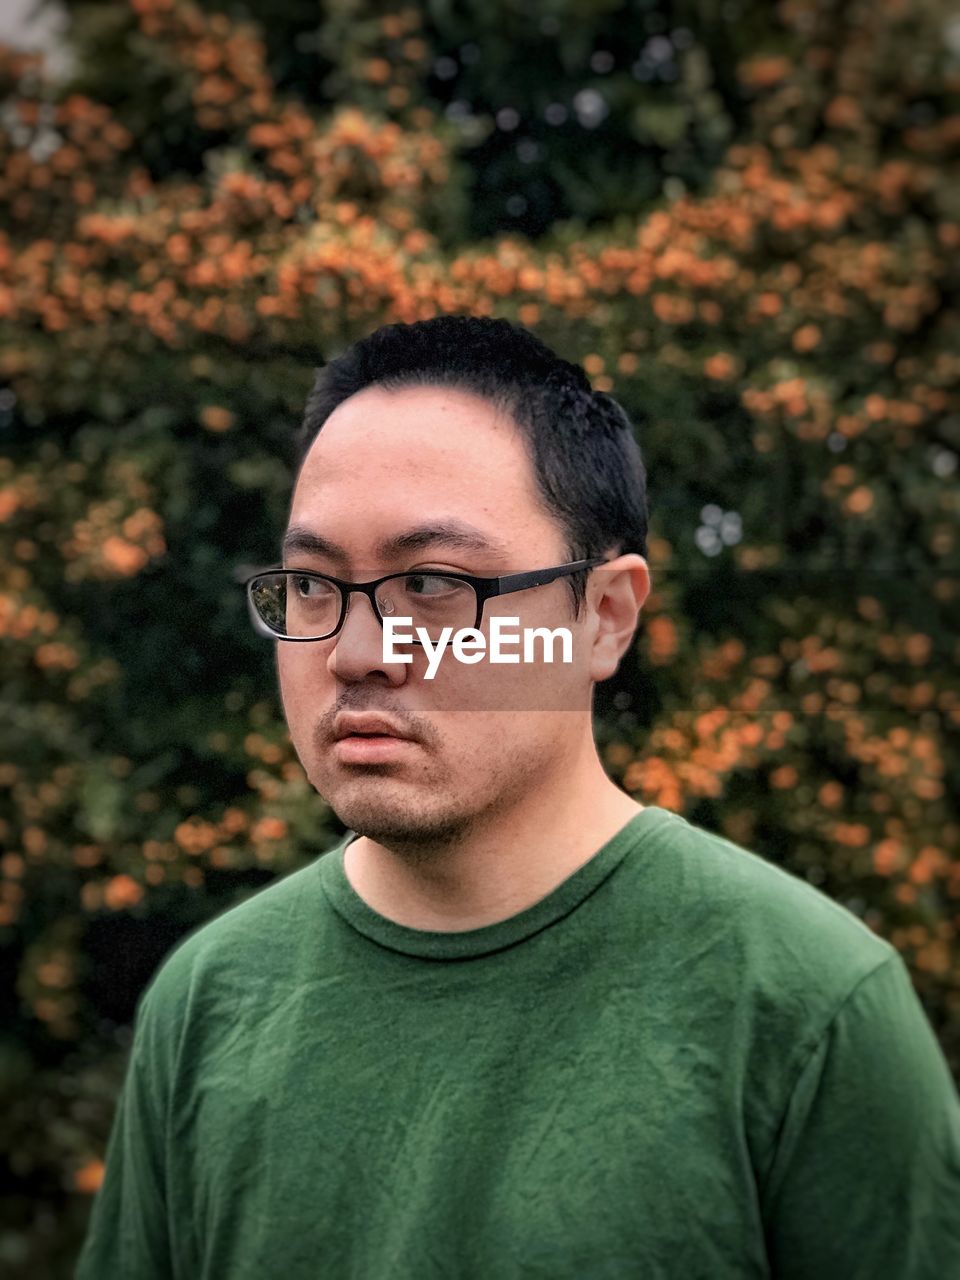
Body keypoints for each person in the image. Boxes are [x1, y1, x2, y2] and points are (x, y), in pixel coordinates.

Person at [76, 316, 960, 1279]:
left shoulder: (806, 1010)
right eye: (315, 586)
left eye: (435, 583)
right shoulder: (209, 1003)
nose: (359, 653)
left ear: (604, 616)